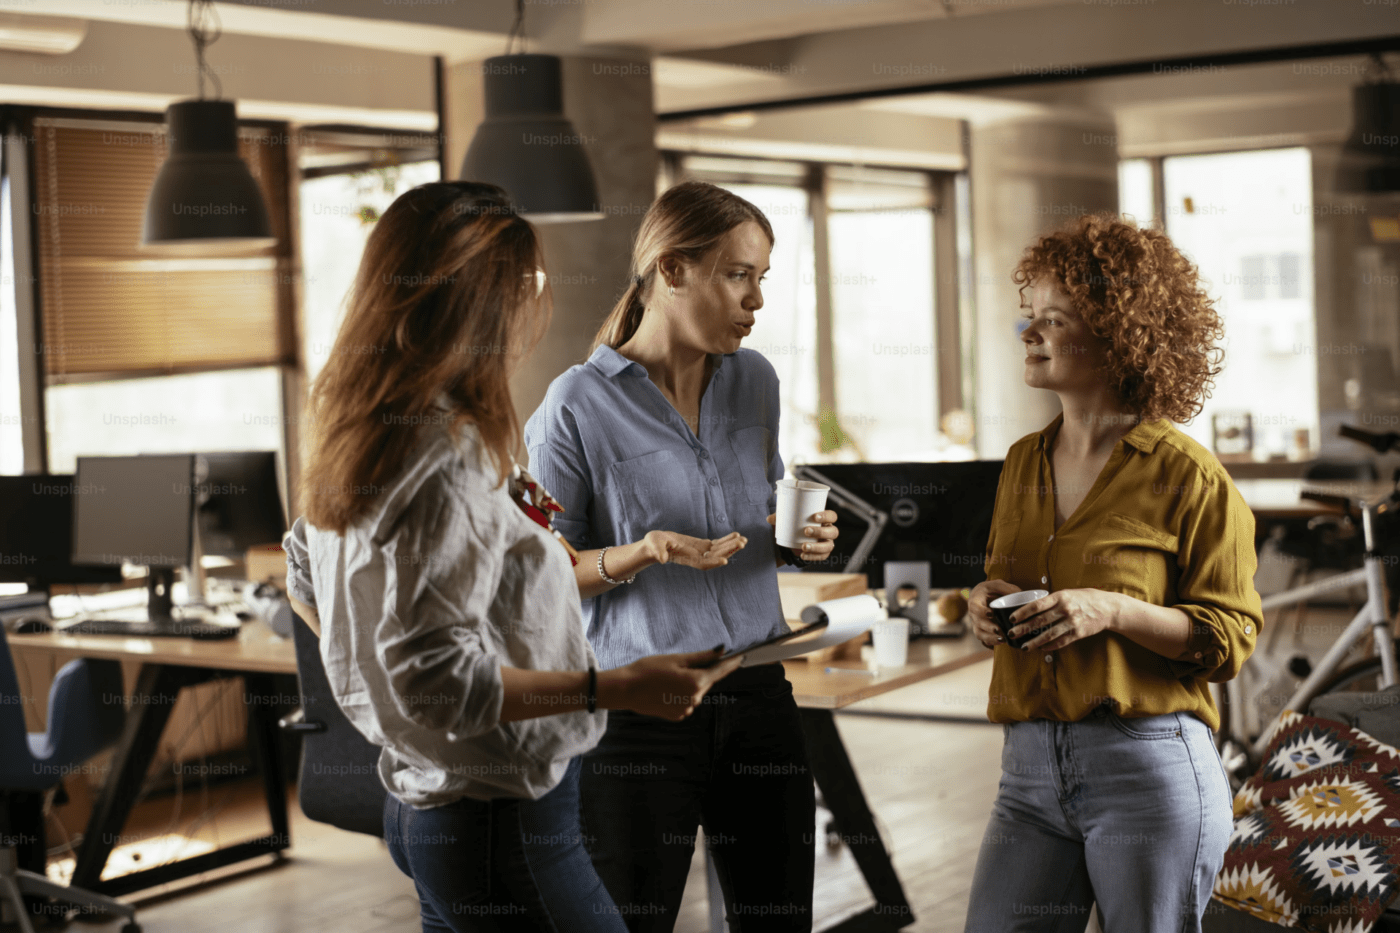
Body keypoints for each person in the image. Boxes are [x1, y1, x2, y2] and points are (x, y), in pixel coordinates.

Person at [282, 180, 743, 933]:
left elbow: (304, 572)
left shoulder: (367, 430)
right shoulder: (445, 454)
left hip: (423, 802)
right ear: (479, 299)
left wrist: (378, 683)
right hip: (505, 822)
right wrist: (615, 686)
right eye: (527, 281)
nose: (538, 299)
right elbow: (439, 682)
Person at [524, 180, 838, 932]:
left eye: (762, 277)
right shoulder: (575, 405)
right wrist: (641, 551)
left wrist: (796, 542)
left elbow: (750, 526)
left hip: (759, 696)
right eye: (738, 274)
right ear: (671, 270)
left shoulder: (756, 382)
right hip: (639, 714)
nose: (756, 300)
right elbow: (543, 585)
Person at [963, 213, 1262, 933]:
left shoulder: (1189, 473)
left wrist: (1113, 609)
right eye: (1028, 317)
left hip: (1149, 768)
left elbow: (1230, 638)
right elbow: (1006, 584)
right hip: (1027, 767)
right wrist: (982, 605)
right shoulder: (1020, 462)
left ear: (1119, 333)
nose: (1028, 333)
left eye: (1054, 319)